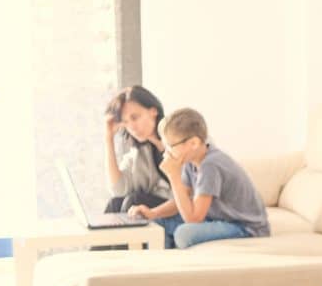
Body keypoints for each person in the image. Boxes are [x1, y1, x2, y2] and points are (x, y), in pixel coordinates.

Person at [127, 107, 270, 249]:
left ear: (193, 143)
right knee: (157, 223)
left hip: (245, 227)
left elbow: (193, 219)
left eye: (170, 146)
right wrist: (153, 213)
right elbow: (181, 201)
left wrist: (173, 175)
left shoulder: (210, 165)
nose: (166, 153)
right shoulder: (192, 162)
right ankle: (163, 265)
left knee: (183, 234)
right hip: (218, 219)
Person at [103, 85, 171, 213]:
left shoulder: (181, 138)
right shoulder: (140, 153)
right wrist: (109, 139)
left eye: (135, 118)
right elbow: (119, 190)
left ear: (153, 111)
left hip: (181, 208)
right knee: (115, 203)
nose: (131, 126)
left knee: (134, 201)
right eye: (126, 122)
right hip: (158, 208)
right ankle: (100, 233)